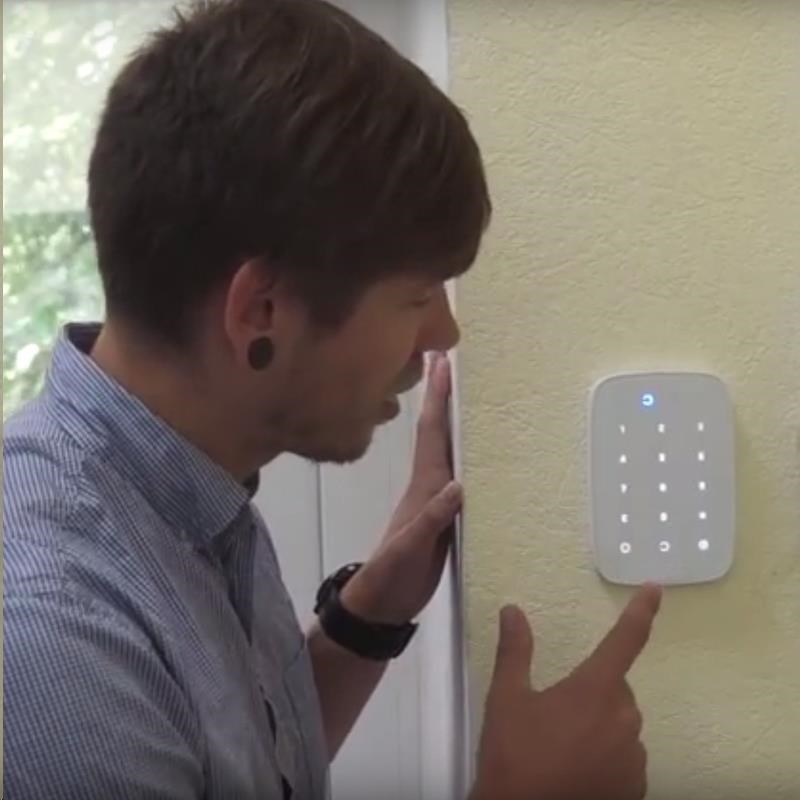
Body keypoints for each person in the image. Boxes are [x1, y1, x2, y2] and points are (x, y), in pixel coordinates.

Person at [3, 0, 662, 798]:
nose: (444, 335)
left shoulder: (182, 492)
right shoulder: (52, 642)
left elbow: (226, 760)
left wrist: (367, 616)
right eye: (416, 298)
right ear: (260, 312)